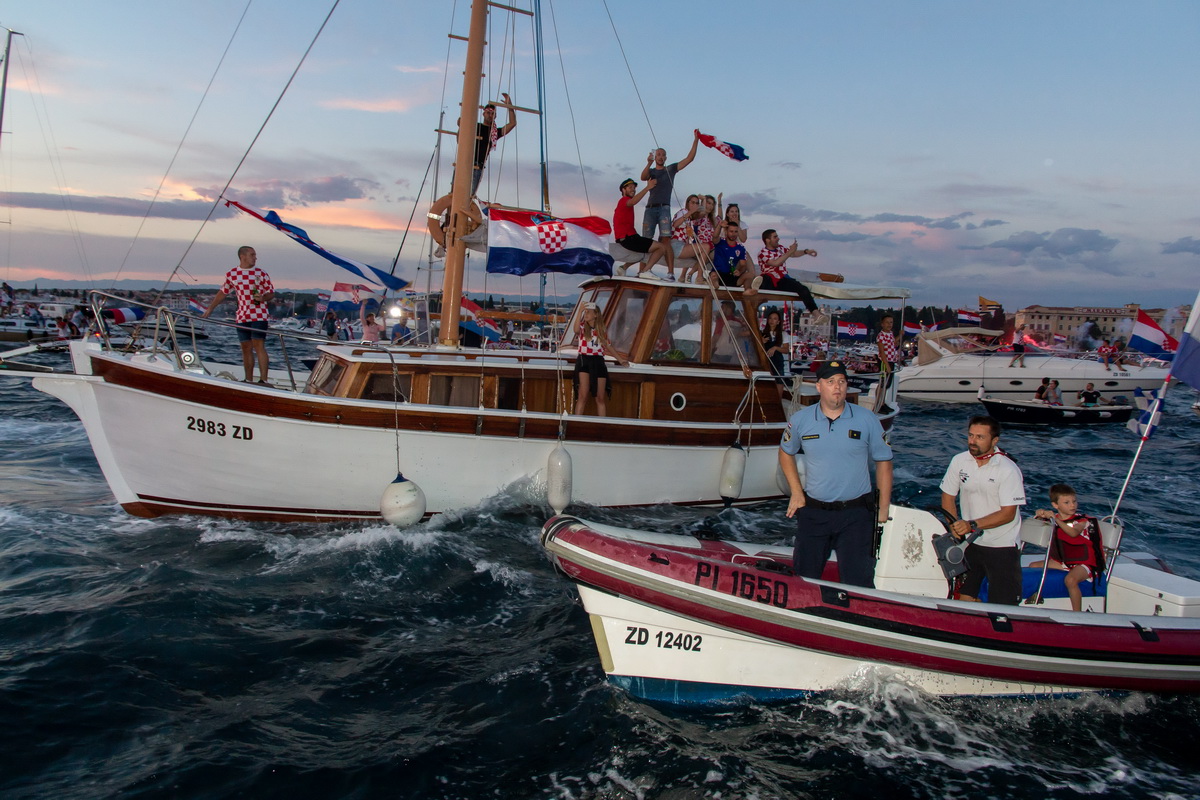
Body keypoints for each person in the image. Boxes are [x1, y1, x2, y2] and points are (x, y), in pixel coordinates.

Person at [778, 360, 894, 588]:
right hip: (814, 513)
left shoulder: (867, 419)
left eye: (841, 381)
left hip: (856, 515)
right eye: (830, 382)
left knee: (858, 583)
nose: (837, 387)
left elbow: (884, 462)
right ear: (819, 386)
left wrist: (883, 507)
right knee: (804, 580)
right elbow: (785, 452)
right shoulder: (801, 420)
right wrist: (796, 492)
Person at [939, 415, 1026, 605]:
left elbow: (1008, 514)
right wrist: (954, 525)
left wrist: (971, 524)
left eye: (980, 437)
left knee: (1003, 604)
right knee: (964, 597)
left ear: (994, 441)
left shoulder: (1008, 469)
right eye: (971, 435)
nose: (973, 441)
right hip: (971, 542)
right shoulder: (959, 461)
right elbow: (948, 496)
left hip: (1001, 545)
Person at [202, 245, 274, 384]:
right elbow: (223, 292)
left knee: (259, 345)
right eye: (252, 255)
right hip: (242, 315)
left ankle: (263, 380)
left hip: (259, 314)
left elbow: (271, 293)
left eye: (255, 255)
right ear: (243, 256)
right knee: (246, 348)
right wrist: (210, 308)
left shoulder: (261, 273)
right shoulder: (232, 274)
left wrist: (263, 298)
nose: (255, 258)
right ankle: (248, 379)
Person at [1030, 483, 1105, 612]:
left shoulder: (1082, 521)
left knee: (1070, 580)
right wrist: (1039, 516)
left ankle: (1077, 613)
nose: (1072, 505)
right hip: (1064, 562)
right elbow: (1035, 529)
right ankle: (1038, 600)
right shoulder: (1054, 520)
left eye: (1074, 501)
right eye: (1067, 502)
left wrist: (1055, 519)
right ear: (1055, 505)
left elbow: (1073, 532)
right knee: (1033, 566)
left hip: (1086, 564)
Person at [640, 133, 700, 280]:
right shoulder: (651, 172)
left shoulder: (671, 169)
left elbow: (689, 159)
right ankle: (641, 272)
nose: (660, 157)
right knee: (646, 240)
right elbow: (642, 177)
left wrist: (696, 140)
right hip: (650, 208)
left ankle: (670, 273)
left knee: (666, 239)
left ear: (666, 158)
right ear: (655, 157)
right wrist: (648, 163)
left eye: (663, 155)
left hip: (664, 208)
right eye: (658, 155)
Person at [574, 302, 628, 416]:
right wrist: (580, 311)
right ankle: (577, 422)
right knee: (583, 395)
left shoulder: (601, 331)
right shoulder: (583, 327)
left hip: (598, 361)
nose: (586, 314)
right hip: (584, 360)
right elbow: (576, 330)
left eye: (588, 312)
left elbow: (608, 346)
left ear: (596, 315)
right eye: (585, 312)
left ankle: (601, 423)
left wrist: (620, 360)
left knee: (600, 397)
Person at [756, 230, 823, 318]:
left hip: (782, 279)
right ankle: (758, 284)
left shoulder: (780, 248)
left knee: (802, 289)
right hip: (770, 278)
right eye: (775, 237)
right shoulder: (762, 253)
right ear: (767, 240)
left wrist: (806, 251)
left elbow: (793, 254)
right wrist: (790, 251)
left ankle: (816, 313)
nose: (778, 238)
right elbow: (776, 263)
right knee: (766, 278)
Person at [612, 178, 668, 278]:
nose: (633, 189)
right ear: (623, 190)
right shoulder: (623, 201)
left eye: (634, 188)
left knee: (646, 253)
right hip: (628, 238)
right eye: (630, 187)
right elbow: (633, 201)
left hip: (629, 237)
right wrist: (647, 188)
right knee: (661, 247)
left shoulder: (624, 203)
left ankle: (623, 267)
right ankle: (645, 271)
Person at [472, 92, 516, 195]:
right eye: (488, 113)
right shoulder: (475, 126)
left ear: (495, 116)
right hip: (465, 162)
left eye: (492, 114)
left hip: (478, 166)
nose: (490, 115)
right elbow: (461, 124)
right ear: (483, 114)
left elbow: (512, 123)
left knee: (470, 196)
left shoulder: (495, 132)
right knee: (453, 194)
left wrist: (510, 107)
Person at [709, 221, 761, 295]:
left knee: (750, 275)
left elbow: (743, 265)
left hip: (732, 276)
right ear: (726, 232)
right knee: (713, 275)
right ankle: (715, 284)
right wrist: (720, 226)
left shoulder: (741, 248)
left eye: (736, 232)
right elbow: (715, 236)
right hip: (718, 274)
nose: (733, 234)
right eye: (731, 231)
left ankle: (747, 290)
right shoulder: (720, 243)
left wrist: (739, 271)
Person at [875, 313, 900, 415]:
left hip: (891, 360)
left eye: (891, 322)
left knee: (887, 384)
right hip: (884, 361)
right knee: (882, 384)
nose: (889, 324)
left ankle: (883, 402)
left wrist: (900, 335)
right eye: (887, 322)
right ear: (882, 324)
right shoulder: (881, 336)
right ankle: (878, 404)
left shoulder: (890, 334)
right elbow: (882, 352)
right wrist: (887, 365)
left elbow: (893, 343)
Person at [761, 308, 788, 398]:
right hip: (765, 362)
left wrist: (775, 348)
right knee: (765, 382)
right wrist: (762, 342)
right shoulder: (762, 333)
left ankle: (778, 401)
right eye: (770, 318)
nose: (772, 320)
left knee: (779, 381)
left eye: (775, 319)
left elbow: (786, 350)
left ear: (778, 322)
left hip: (777, 361)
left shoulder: (783, 334)